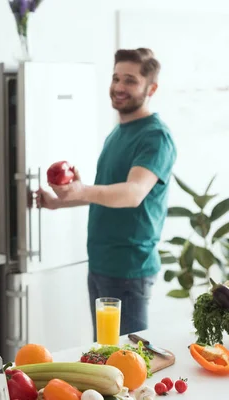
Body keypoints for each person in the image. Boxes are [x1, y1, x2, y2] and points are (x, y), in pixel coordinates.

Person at [36, 48, 177, 338]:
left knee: (130, 363)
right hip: (102, 264)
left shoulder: (155, 136)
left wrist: (81, 189)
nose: (118, 87)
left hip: (129, 269)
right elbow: (105, 193)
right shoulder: (118, 133)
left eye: (130, 80)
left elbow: (133, 193)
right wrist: (58, 202)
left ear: (152, 88)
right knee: (105, 357)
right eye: (115, 78)